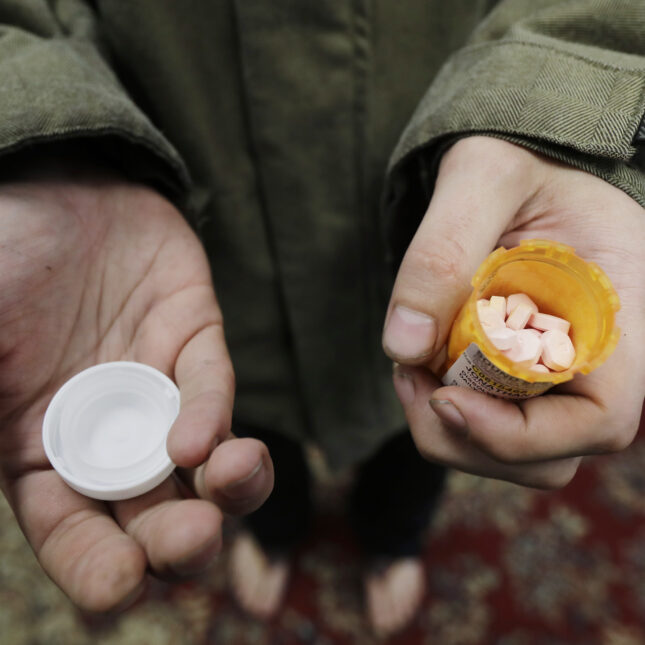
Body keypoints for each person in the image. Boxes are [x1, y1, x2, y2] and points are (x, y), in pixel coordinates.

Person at [0, 0, 643, 637]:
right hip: (205, 268)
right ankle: (278, 531)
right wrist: (44, 145)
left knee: (427, 434)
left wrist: (564, 109)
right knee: (239, 444)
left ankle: (392, 539)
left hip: (427, 222)